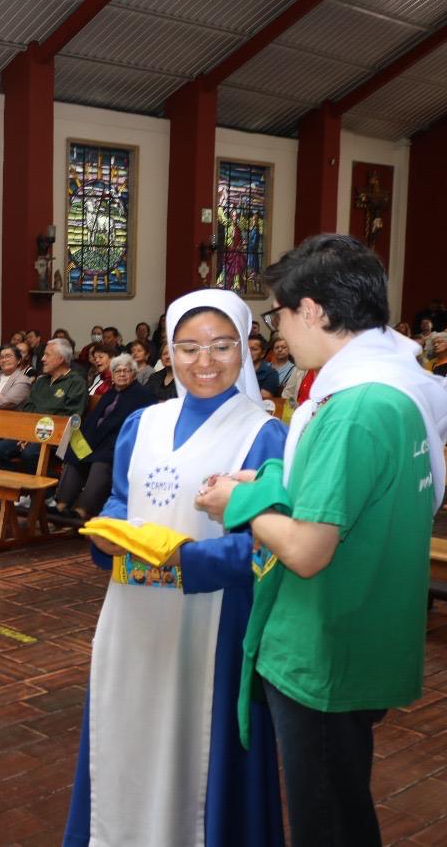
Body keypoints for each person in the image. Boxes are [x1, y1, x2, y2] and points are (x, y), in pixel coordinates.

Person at [196, 235, 447, 847]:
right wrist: (276, 478)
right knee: (341, 797)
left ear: (312, 310)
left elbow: (308, 550)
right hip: (365, 624)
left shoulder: (352, 406)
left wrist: (242, 503)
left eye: (278, 314)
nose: (278, 331)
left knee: (326, 821)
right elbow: (364, 488)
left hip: (325, 638)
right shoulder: (399, 389)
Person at [64, 288, 288, 847]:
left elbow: (267, 550)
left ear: (245, 350)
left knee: (196, 750)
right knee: (126, 736)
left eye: (220, 346)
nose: (204, 361)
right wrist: (109, 534)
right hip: (132, 613)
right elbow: (122, 497)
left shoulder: (264, 433)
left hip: (213, 623)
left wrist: (177, 562)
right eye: (188, 347)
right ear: (168, 350)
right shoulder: (143, 422)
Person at [52, 354, 154, 520]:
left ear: (133, 374)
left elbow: (139, 426)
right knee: (76, 451)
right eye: (117, 371)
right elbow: (95, 420)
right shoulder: (111, 392)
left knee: (102, 459)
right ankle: (62, 504)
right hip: (98, 439)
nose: (121, 374)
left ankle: (84, 509)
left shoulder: (142, 395)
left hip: (120, 443)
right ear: (112, 376)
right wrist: (82, 440)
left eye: (126, 371)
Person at [0, 339, 87, 474]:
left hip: (56, 437)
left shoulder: (76, 383)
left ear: (60, 359)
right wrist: (27, 434)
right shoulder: (42, 381)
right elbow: (28, 408)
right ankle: (18, 488)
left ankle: (42, 493)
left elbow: (69, 419)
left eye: (47, 355)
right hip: (31, 433)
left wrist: (35, 436)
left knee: (29, 453)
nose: (42, 359)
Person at [247, 334, 281, 398]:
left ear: (263, 353)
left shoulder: (271, 373)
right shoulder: (238, 368)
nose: (249, 352)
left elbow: (264, 398)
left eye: (254, 349)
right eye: (247, 349)